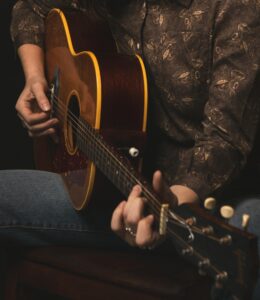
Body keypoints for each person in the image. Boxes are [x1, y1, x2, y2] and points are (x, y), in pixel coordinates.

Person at [2, 0, 259, 299]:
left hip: (205, 205)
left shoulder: (239, 7)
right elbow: (30, 8)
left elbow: (225, 141)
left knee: (252, 242)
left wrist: (169, 204)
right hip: (111, 182)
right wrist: (36, 79)